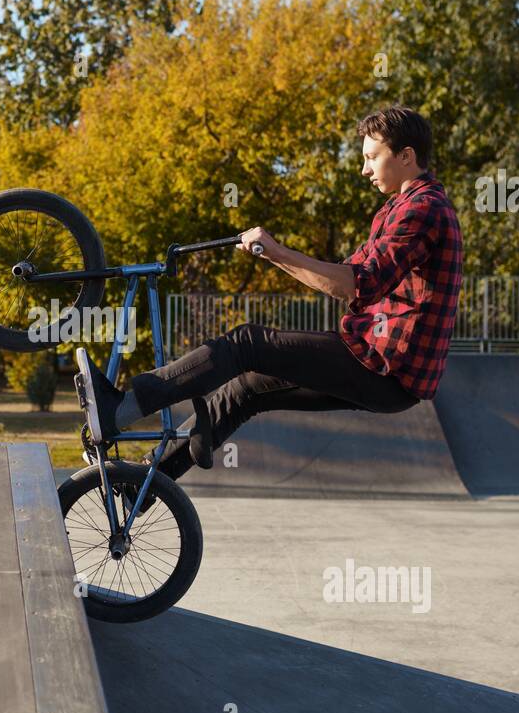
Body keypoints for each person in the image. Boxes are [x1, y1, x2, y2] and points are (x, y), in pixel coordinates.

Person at [75, 104, 463, 486]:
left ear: (406, 156)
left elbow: (355, 284)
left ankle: (123, 408)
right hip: (378, 366)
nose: (364, 170)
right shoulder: (397, 208)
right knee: (248, 388)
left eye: (372, 157)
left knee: (246, 343)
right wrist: (272, 256)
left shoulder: (423, 209)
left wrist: (278, 251)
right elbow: (339, 282)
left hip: (384, 368)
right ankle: (146, 482)